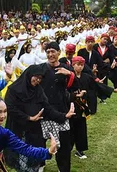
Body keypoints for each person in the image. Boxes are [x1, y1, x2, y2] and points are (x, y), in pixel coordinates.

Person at [4, 64, 75, 172]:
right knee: (21, 160)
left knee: (33, 160)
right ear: (29, 75)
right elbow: (10, 108)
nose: (38, 80)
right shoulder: (13, 89)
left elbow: (47, 108)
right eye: (36, 76)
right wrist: (28, 118)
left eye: (40, 78)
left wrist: (64, 115)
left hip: (33, 131)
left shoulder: (38, 90)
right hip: (18, 129)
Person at [39, 41, 75, 172]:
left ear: (59, 52)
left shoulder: (67, 68)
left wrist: (69, 75)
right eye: (48, 52)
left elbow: (75, 85)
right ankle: (40, 164)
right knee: (40, 142)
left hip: (61, 112)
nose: (50, 54)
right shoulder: (41, 68)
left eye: (53, 51)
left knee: (64, 145)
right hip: (44, 112)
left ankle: (64, 169)